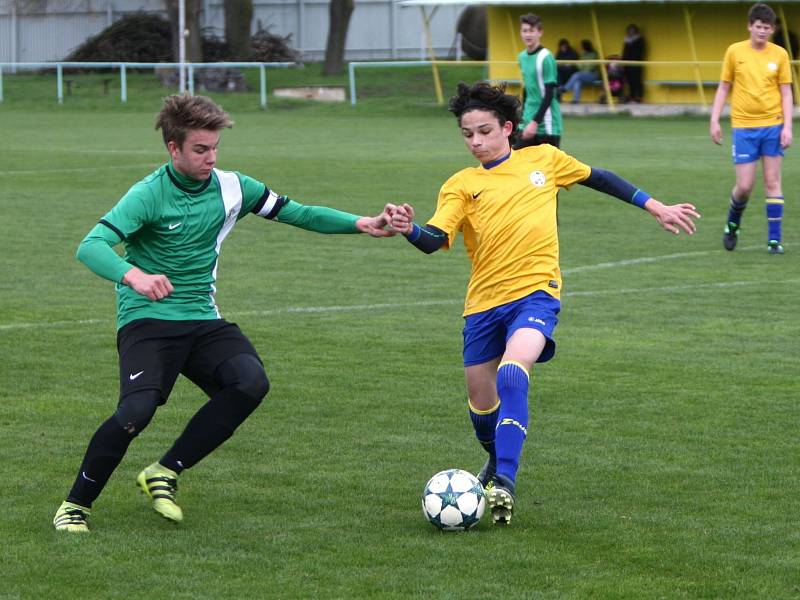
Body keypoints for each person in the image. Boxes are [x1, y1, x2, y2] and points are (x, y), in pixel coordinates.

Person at [52, 94, 395, 532]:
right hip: (148, 320)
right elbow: (91, 246)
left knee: (249, 382)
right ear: (173, 149)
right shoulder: (148, 194)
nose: (210, 158)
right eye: (200, 149)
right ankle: (75, 505)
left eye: (214, 148)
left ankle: (164, 471)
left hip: (201, 317)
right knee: (136, 411)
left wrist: (360, 223)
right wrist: (132, 275)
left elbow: (298, 212)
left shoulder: (234, 187)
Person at [389, 82, 699, 525]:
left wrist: (654, 205)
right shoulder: (461, 184)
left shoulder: (545, 160)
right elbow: (435, 239)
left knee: (515, 370)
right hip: (482, 304)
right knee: (481, 405)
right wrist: (409, 228)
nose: (475, 141)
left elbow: (600, 177)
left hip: (537, 292)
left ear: (508, 128)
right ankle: (496, 463)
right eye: (466, 134)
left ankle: (504, 485)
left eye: (483, 131)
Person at [709, 2, 793, 254]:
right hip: (743, 127)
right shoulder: (735, 52)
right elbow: (724, 86)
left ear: (772, 29)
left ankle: (774, 241)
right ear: (749, 26)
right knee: (744, 186)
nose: (762, 31)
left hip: (773, 126)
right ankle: (733, 224)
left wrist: (787, 126)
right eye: (758, 27)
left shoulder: (779, 54)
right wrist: (714, 119)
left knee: (772, 181)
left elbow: (786, 93)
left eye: (767, 27)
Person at [516, 13, 563, 149]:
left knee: (548, 169)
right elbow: (528, 89)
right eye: (525, 31)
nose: (528, 35)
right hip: (528, 119)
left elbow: (549, 94)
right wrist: (522, 117)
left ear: (540, 32)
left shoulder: (546, 57)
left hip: (547, 123)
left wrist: (535, 122)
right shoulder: (522, 57)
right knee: (516, 163)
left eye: (531, 31)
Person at [560, 39, 600, 104]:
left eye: (582, 46)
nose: (581, 48)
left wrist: (583, 67)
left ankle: (565, 88)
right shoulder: (583, 54)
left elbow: (590, 67)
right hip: (584, 75)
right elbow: (578, 65)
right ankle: (575, 100)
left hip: (593, 75)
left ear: (586, 46)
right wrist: (584, 66)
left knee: (577, 75)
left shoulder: (594, 54)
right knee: (577, 81)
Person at [621, 24, 646, 103]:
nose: (631, 31)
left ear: (636, 30)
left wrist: (635, 59)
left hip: (636, 63)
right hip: (627, 63)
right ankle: (632, 96)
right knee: (630, 80)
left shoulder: (640, 39)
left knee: (637, 80)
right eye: (630, 30)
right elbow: (624, 52)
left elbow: (640, 52)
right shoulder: (626, 40)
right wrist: (623, 61)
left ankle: (639, 97)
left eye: (633, 30)